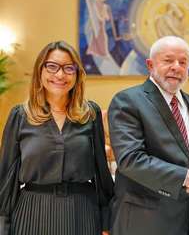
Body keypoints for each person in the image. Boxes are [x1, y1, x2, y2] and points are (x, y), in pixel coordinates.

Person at [0, 41, 114, 235]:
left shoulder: (90, 113)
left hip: (82, 213)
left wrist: (106, 222)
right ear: (40, 71)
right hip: (32, 213)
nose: (60, 75)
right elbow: (5, 177)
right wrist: (3, 225)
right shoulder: (20, 115)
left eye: (69, 68)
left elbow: (101, 173)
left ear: (77, 74)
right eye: (52, 66)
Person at [108, 35, 189, 235]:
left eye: (183, 62)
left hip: (186, 218)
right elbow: (130, 160)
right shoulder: (127, 101)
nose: (176, 67)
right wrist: (185, 177)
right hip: (144, 220)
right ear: (150, 64)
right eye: (168, 60)